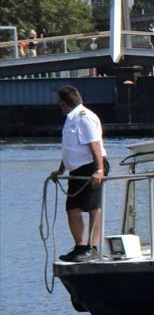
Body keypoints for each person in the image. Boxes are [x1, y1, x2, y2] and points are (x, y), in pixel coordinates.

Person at [49, 86, 109, 262]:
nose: (59, 106)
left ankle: (92, 247)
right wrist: (61, 170)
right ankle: (80, 247)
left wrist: (99, 170)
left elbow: (95, 145)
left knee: (93, 208)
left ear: (65, 103)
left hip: (91, 166)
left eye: (60, 103)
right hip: (76, 169)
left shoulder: (85, 118)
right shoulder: (71, 119)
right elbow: (69, 148)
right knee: (72, 210)